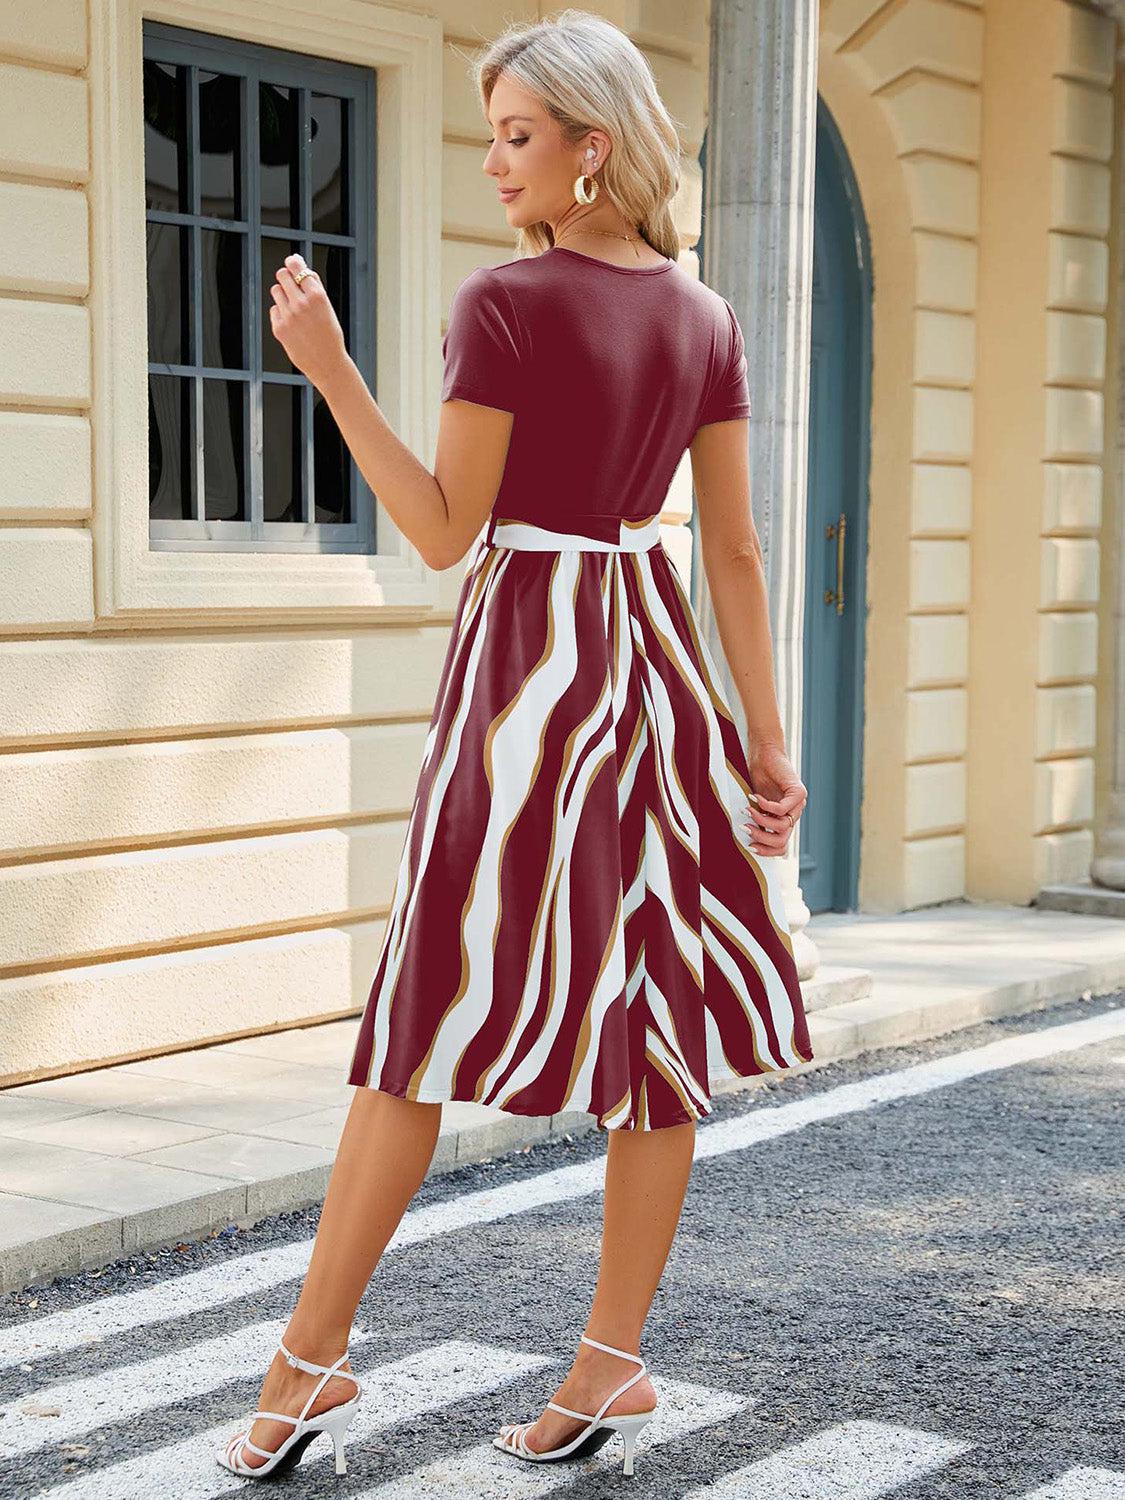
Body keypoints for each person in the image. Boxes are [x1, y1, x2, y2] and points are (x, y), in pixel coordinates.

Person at [217, 6, 813, 1482]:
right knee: (656, 1029)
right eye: (489, 135)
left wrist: (328, 366)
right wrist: (766, 740)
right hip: (658, 666)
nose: (494, 163)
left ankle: (306, 1368)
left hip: (530, 676)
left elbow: (440, 533)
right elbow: (731, 549)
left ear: (590, 149)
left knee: (417, 1019)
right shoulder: (706, 315)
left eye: (517, 136)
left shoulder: (506, 303)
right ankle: (606, 1365)